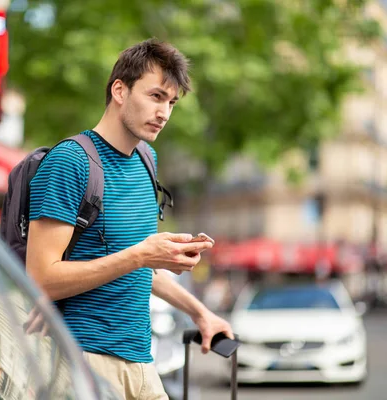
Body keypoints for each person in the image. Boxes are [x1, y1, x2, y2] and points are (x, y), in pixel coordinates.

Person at [25, 38, 233, 399]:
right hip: (81, 360)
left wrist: (200, 313)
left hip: (141, 362)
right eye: (155, 97)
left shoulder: (146, 160)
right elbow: (41, 278)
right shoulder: (70, 162)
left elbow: (140, 268)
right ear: (120, 90)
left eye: (172, 103)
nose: (165, 113)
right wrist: (140, 254)